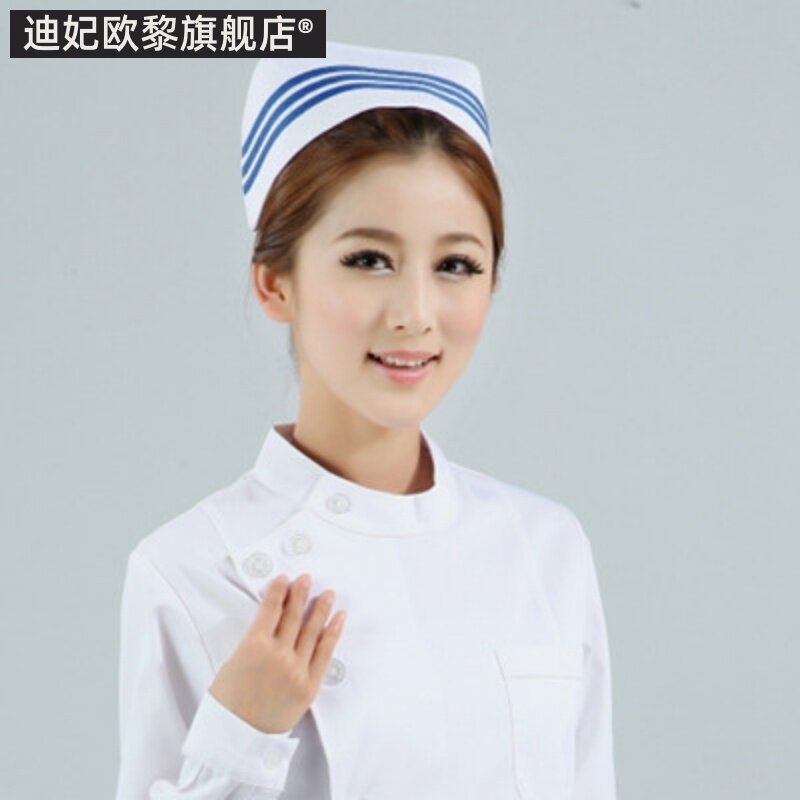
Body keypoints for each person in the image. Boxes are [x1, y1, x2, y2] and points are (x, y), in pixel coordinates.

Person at [115, 40, 617, 800]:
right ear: (275, 283)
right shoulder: (192, 571)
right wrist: (239, 740)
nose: (416, 314)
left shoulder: (546, 548)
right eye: (369, 260)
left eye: (456, 265)